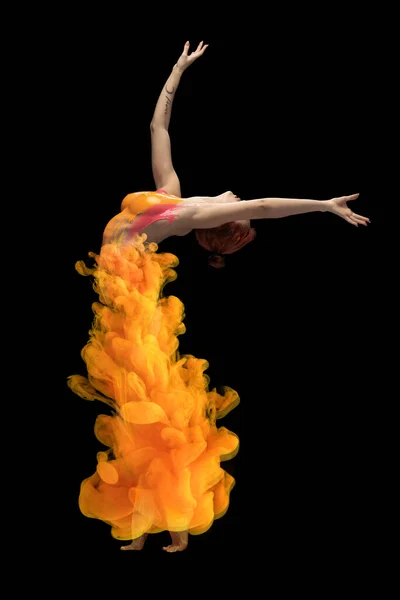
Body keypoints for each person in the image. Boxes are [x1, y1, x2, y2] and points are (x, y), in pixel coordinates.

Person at [69, 41, 370, 554]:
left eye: (241, 212)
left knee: (148, 395)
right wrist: (177, 71)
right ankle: (158, 516)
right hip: (126, 282)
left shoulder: (187, 216)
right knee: (143, 396)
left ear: (223, 219)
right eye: (243, 210)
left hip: (130, 287)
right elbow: (157, 130)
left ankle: (168, 515)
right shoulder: (172, 193)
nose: (239, 199)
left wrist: (323, 205)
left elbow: (267, 204)